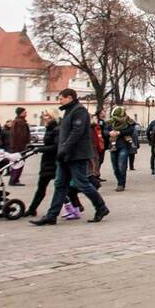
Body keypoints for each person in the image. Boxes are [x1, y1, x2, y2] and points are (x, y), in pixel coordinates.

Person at [29, 89, 109, 226]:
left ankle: (101, 207)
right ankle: (51, 215)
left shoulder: (79, 111)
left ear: (70, 98)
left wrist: (64, 149)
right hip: (66, 155)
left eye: (61, 98)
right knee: (60, 184)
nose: (59, 101)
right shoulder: (69, 110)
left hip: (76, 155)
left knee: (82, 183)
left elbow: (76, 133)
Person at [26, 110, 80, 217]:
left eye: (47, 116)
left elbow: (55, 147)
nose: (45, 118)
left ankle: (74, 206)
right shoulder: (50, 128)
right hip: (47, 162)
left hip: (54, 162)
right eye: (44, 116)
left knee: (60, 187)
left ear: (53, 117)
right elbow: (49, 143)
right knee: (44, 187)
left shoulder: (57, 129)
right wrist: (36, 147)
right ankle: (32, 209)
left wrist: (40, 149)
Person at [106, 107, 137, 192]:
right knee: (115, 167)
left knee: (121, 166)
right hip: (113, 146)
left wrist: (119, 132)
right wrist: (109, 133)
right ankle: (119, 181)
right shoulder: (110, 122)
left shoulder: (128, 121)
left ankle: (121, 184)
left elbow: (131, 130)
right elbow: (104, 131)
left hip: (124, 145)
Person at [8, 107, 31, 185]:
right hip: (19, 147)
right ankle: (14, 180)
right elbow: (21, 136)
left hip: (16, 147)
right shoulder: (20, 122)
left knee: (16, 163)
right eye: (25, 112)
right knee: (18, 164)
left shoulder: (16, 121)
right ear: (20, 113)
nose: (26, 114)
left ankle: (14, 179)